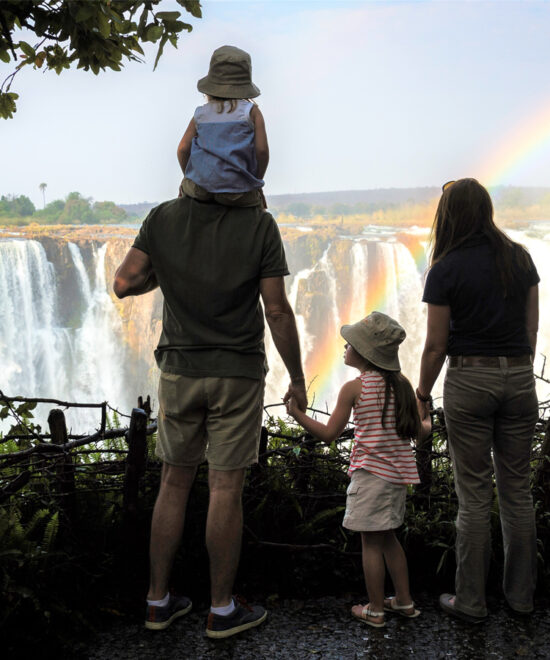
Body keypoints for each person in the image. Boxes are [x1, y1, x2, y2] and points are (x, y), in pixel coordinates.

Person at [113, 195, 307, 638]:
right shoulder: (260, 225)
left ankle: (158, 602)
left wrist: (166, 272)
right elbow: (276, 310)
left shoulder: (162, 218)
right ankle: (222, 610)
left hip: (180, 371)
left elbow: (124, 283)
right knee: (225, 487)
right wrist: (296, 376)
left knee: (173, 483)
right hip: (236, 373)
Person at [416, 178, 539, 623]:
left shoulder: (445, 268)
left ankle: (471, 601)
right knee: (517, 492)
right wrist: (516, 367)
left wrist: (422, 393)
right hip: (520, 376)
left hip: (470, 380)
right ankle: (521, 598)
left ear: (448, 216)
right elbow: (531, 331)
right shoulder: (520, 258)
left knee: (473, 498)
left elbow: (435, 345)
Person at [286, 311, 421, 628]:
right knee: (389, 539)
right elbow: (418, 427)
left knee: (370, 544)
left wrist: (296, 414)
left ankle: (375, 609)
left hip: (371, 477)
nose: (344, 348)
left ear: (364, 352)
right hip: (396, 480)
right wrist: (428, 421)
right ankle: (404, 600)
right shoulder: (402, 385)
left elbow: (330, 434)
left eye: (349, 344)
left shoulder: (354, 388)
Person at [177, 45, 268, 209]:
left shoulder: (200, 114)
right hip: (237, 192)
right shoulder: (251, 112)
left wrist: (188, 178)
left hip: (200, 189)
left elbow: (183, 149)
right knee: (260, 215)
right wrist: (257, 184)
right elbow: (261, 151)